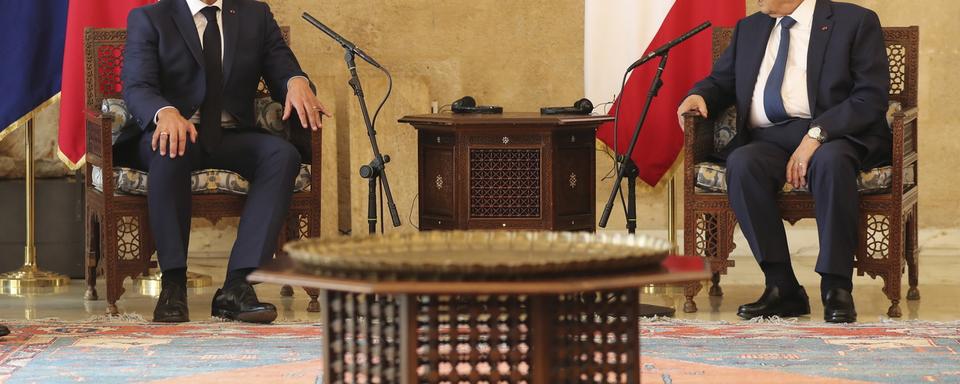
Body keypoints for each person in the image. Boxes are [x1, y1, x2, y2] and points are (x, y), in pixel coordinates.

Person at [678, 0, 891, 323]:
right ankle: (782, 287)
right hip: (770, 138)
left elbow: (870, 97)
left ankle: (836, 287)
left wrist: (817, 135)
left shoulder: (855, 21)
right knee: (743, 164)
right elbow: (722, 81)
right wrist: (700, 95)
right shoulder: (749, 28)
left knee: (832, 164)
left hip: (836, 134)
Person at [121, 0, 330, 323]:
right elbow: (137, 86)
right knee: (169, 150)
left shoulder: (254, 15)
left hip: (231, 134)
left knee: (282, 155)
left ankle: (237, 286)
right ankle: (173, 284)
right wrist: (165, 112)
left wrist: (296, 82)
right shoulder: (151, 17)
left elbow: (282, 66)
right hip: (174, 132)